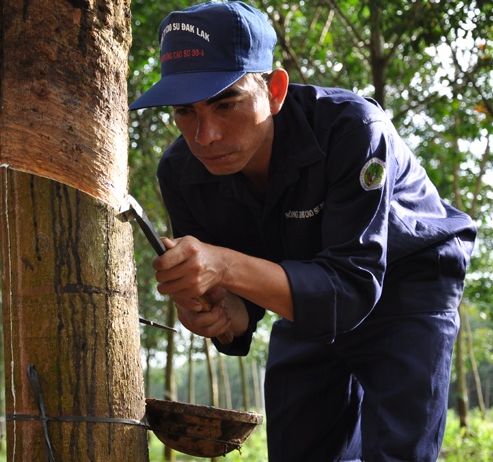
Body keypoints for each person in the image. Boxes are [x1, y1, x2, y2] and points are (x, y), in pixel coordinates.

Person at [129, 2, 477, 461]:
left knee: (399, 449)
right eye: (184, 112)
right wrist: (223, 314)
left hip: (407, 279)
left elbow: (351, 286)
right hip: (305, 290)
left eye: (226, 103)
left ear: (274, 91)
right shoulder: (180, 173)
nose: (205, 135)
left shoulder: (353, 129)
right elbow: (240, 299)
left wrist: (226, 267)